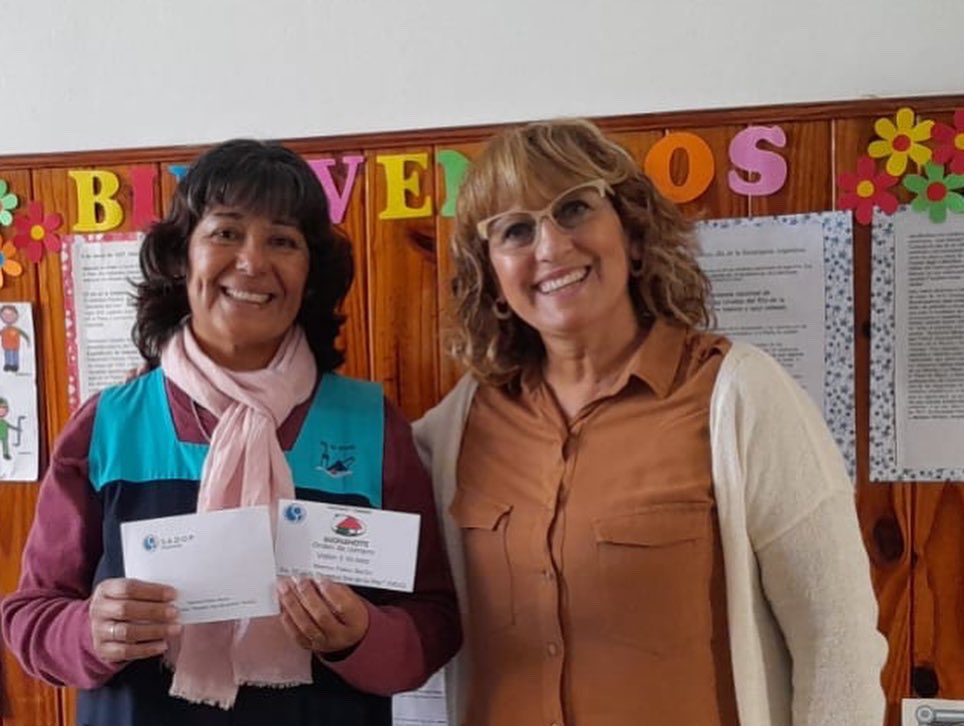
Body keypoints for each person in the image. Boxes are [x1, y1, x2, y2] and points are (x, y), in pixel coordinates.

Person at [413, 119, 887, 726]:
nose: (552, 247)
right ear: (495, 278)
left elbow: (838, 641)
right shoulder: (458, 428)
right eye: (516, 229)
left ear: (633, 234)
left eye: (575, 208)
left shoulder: (741, 398)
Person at [1, 139, 461, 726]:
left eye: (283, 240)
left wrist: (363, 636)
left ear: (311, 272)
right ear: (181, 257)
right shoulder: (108, 425)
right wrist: (89, 630)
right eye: (225, 232)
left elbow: (434, 621)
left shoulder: (372, 425)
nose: (252, 262)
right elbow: (30, 618)